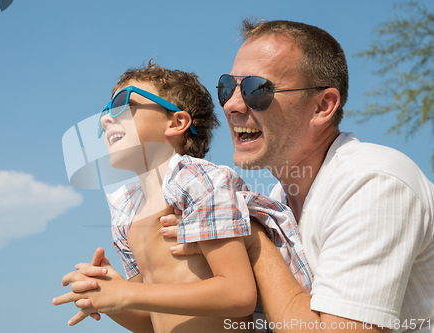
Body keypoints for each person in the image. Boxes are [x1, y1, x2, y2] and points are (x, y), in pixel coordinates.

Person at [68, 19, 434, 333]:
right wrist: (114, 298)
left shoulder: (372, 182)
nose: (231, 104)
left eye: (257, 89)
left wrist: (253, 238)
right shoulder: (274, 200)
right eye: (227, 88)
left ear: (322, 106)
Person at [53, 63, 312, 332]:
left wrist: (127, 294)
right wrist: (107, 297)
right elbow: (149, 321)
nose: (107, 118)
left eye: (123, 104)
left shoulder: (198, 182)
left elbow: (238, 295)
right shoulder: (126, 212)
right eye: (106, 111)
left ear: (176, 123)